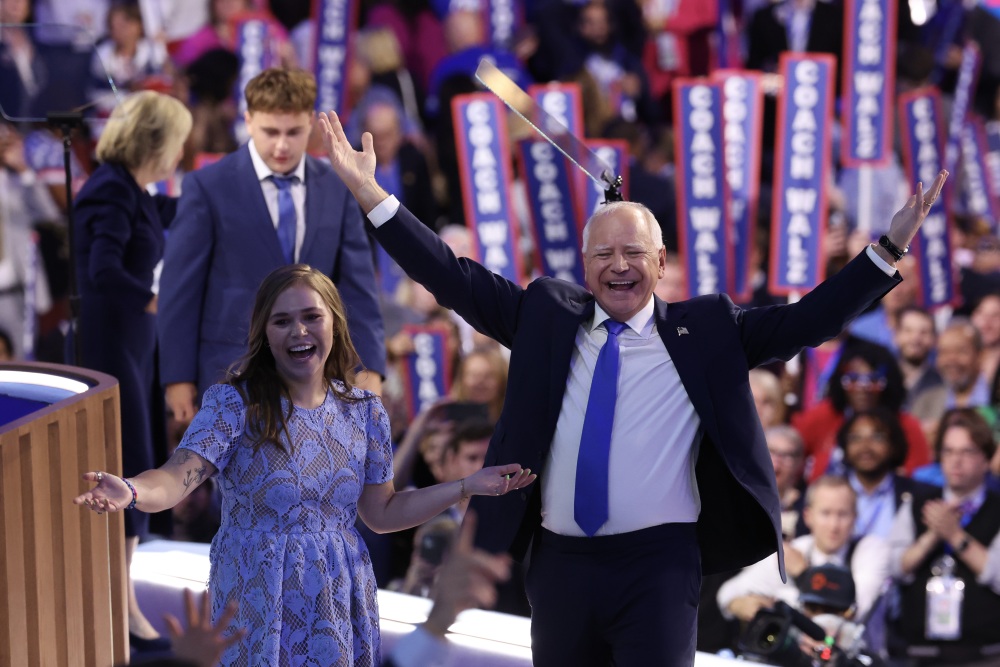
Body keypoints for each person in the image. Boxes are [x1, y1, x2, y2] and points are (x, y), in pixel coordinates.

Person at [320, 107, 947, 667]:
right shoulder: (543, 314)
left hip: (660, 567)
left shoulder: (708, 330)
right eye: (603, 255)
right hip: (561, 566)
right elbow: (450, 277)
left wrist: (887, 248)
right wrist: (369, 191)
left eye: (633, 252)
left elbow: (810, 320)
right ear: (585, 266)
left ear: (661, 262)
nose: (618, 265)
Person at [76, 264, 535, 666]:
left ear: (334, 322)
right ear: (265, 333)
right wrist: (132, 490)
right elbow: (176, 478)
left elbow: (382, 513)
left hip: (339, 595)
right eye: (283, 321)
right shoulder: (235, 405)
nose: (299, 331)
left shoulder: (365, 410)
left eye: (311, 317)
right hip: (255, 593)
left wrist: (466, 486)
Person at [158, 68, 386, 430]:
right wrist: (177, 377)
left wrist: (370, 364)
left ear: (310, 123)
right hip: (231, 370)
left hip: (318, 376)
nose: (281, 145)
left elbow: (358, 285)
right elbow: (180, 288)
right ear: (248, 121)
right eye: (270, 132)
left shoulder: (337, 187)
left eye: (293, 132)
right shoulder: (208, 186)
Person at [72, 89, 192, 648]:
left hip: (135, 347)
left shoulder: (135, 191)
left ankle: (123, 601)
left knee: (138, 461)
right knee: (129, 462)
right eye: (179, 143)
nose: (182, 154)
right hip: (112, 349)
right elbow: (102, 271)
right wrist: (154, 301)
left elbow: (181, 208)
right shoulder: (109, 192)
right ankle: (119, 609)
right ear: (156, 141)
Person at [887, 407, 1000, 665]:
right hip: (919, 654)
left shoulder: (997, 508)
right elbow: (895, 567)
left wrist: (955, 535)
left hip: (986, 655)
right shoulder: (918, 503)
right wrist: (931, 537)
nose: (955, 461)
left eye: (966, 452)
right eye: (948, 451)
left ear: (985, 458)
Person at [717, 475, 891, 624]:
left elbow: (853, 612)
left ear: (855, 517)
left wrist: (802, 575)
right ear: (808, 517)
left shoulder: (871, 549)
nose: (834, 525)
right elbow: (727, 593)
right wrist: (744, 605)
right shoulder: (796, 550)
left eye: (842, 514)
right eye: (826, 513)